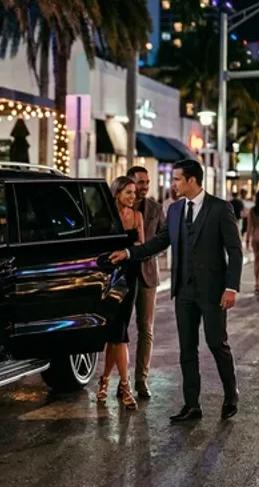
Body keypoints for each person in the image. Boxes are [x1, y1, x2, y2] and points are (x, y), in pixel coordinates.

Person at [110, 159, 242, 423]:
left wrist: (231, 288)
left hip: (214, 291)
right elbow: (160, 241)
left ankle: (231, 395)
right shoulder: (175, 210)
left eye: (177, 179)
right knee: (187, 349)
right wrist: (128, 252)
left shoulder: (219, 208)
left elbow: (235, 250)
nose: (172, 184)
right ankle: (192, 405)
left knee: (217, 344)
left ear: (192, 180)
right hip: (184, 291)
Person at [98, 176, 144, 411]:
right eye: (128, 192)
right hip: (110, 279)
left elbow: (142, 249)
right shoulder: (104, 218)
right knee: (117, 332)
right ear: (116, 193)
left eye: (134, 193)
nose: (133, 196)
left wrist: (130, 253)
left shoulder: (137, 216)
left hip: (131, 277)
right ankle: (124, 387)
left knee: (118, 332)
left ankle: (106, 382)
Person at [126, 166, 164, 399]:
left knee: (145, 329)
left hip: (148, 273)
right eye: (140, 182)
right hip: (123, 274)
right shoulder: (119, 206)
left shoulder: (156, 209)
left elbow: (164, 238)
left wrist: (147, 252)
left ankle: (141, 379)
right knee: (119, 330)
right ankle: (120, 379)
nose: (144, 187)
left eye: (147, 182)